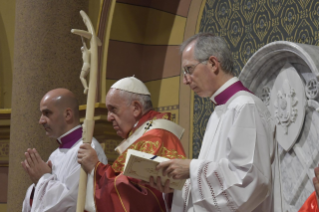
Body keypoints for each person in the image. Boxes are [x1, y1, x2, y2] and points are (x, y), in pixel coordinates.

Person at [150, 33, 275, 211]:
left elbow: (249, 180)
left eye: (189, 70)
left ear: (213, 64)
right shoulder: (218, 113)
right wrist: (176, 186)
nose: (185, 80)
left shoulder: (246, 106)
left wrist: (191, 168)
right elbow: (216, 182)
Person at [77, 76, 186, 212]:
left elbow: (138, 196)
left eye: (113, 109)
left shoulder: (156, 138)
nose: (109, 117)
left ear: (136, 108)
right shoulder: (145, 137)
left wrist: (97, 168)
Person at [21, 88, 107, 212]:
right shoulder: (55, 154)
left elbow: (73, 204)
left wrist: (42, 179)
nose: (41, 121)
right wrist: (36, 186)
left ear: (67, 114)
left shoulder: (88, 149)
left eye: (47, 113)